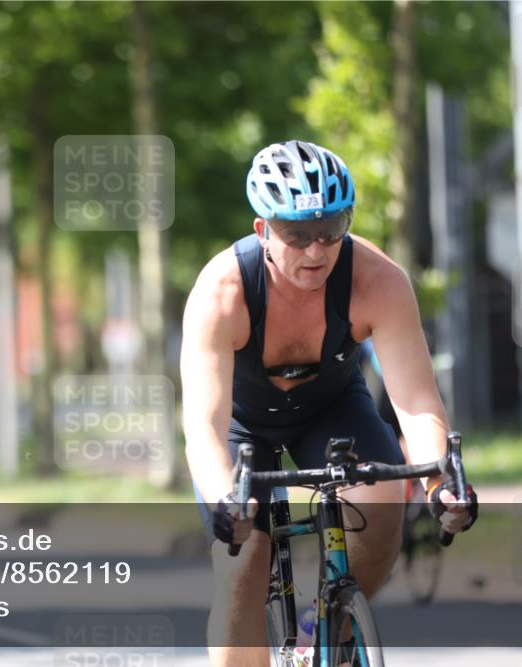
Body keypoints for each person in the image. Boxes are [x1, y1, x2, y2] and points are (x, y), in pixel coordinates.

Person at [180, 140, 478, 666]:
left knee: (385, 497)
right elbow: (204, 422)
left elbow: (416, 400)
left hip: (330, 408)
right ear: (263, 230)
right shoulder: (222, 291)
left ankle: (333, 625)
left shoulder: (377, 280)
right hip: (241, 424)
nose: (316, 251)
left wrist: (440, 485)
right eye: (296, 234)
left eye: (330, 230)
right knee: (245, 561)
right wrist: (227, 498)